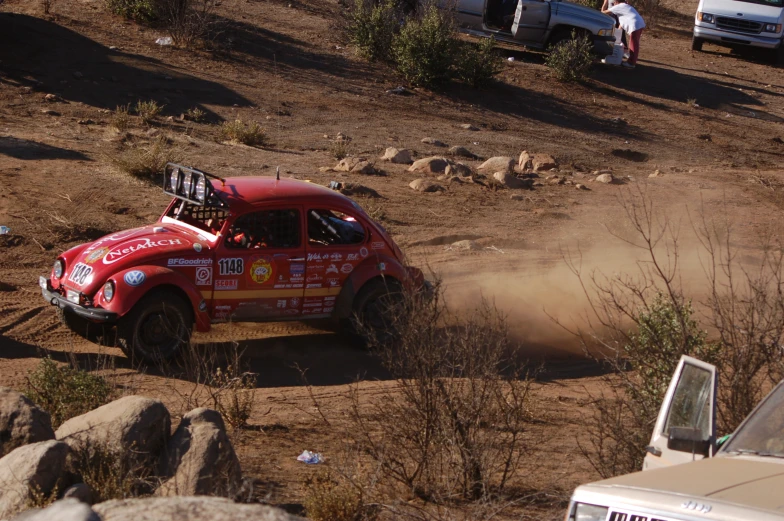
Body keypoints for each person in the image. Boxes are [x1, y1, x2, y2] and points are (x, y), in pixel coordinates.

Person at [602, 0, 645, 69]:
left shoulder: (619, 6)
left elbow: (603, 12)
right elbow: (622, 23)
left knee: (633, 45)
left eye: (614, 3)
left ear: (617, 2)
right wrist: (617, 34)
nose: (613, 4)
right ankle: (631, 61)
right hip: (639, 24)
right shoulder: (625, 6)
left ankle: (631, 63)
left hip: (635, 25)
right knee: (634, 44)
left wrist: (604, 3)